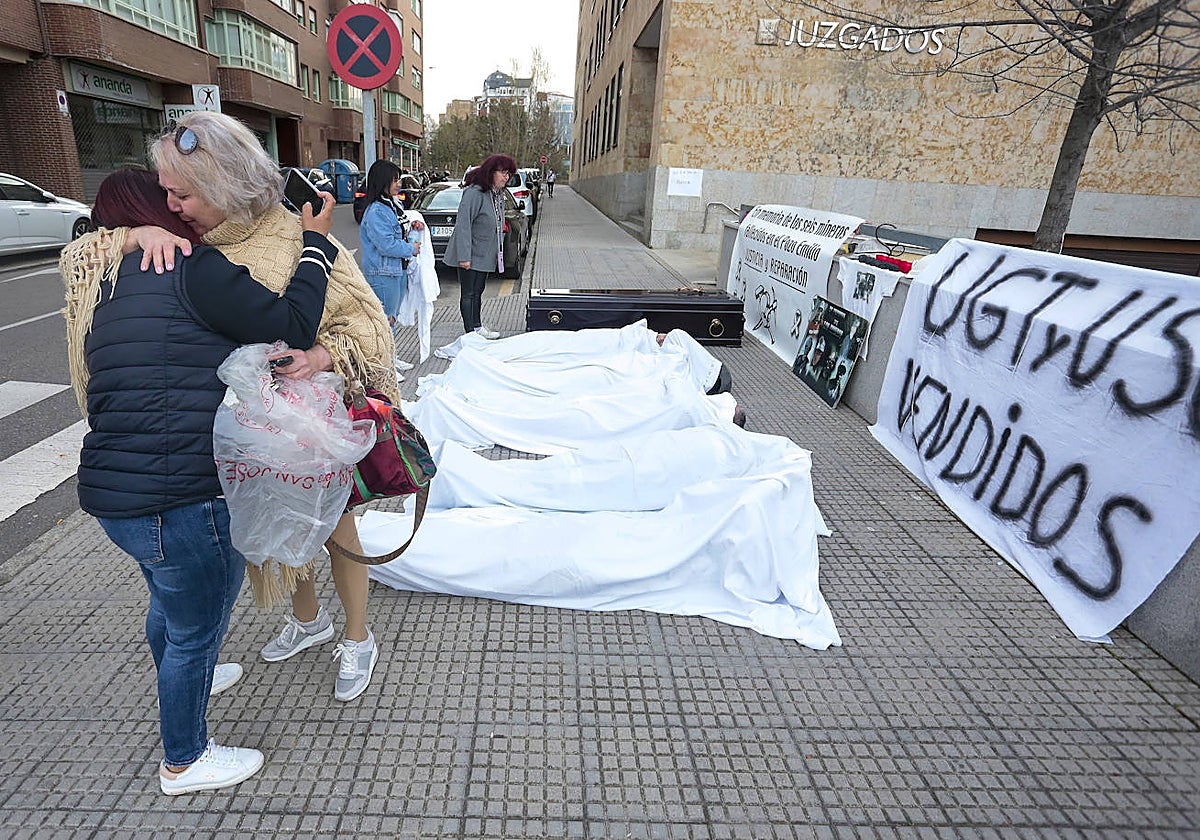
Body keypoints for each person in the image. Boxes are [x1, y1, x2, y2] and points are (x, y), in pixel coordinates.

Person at [63, 111, 400, 707]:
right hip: (243, 435)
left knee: (333, 527)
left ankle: (357, 635)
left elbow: (370, 324)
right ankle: (307, 619)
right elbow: (87, 253)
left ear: (222, 188)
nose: (170, 205)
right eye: (165, 191)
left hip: (311, 426)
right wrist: (134, 235)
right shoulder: (189, 245)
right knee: (265, 531)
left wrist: (323, 356)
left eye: (181, 193)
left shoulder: (295, 237)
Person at [61, 168, 338, 795]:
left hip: (117, 496)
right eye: (170, 197)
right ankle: (184, 759)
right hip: (181, 495)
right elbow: (291, 326)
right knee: (195, 625)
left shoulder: (104, 279)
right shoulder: (191, 265)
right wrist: (316, 241)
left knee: (168, 600)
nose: (180, 205)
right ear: (151, 214)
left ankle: (191, 676)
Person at [443, 153, 517, 339]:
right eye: (503, 172)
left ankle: (477, 326)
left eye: (509, 174)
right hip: (471, 252)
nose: (506, 177)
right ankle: (470, 334)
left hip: (484, 253)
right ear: (491, 172)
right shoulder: (475, 193)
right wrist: (464, 257)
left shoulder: (497, 194)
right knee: (468, 293)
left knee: (478, 291)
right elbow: (464, 225)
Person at [359, 159, 424, 374]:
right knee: (384, 320)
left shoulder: (391, 205)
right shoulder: (377, 211)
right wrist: (410, 249)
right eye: (394, 180)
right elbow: (386, 244)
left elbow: (399, 229)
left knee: (391, 318)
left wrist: (413, 225)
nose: (399, 184)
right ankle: (384, 365)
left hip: (396, 271)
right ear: (382, 182)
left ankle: (391, 357)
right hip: (382, 273)